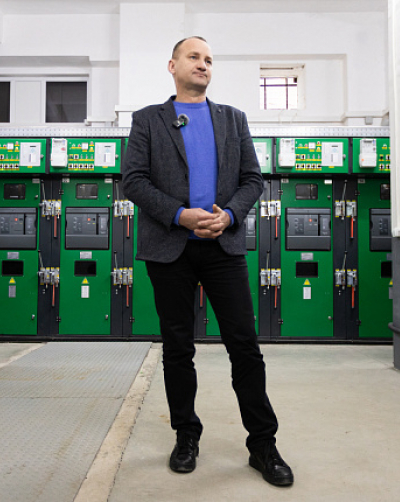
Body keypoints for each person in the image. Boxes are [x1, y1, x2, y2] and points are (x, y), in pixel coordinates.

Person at [121, 36, 293, 487]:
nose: (203, 64)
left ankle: (262, 444)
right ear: (173, 65)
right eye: (194, 57)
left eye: (209, 59)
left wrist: (229, 215)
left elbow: (253, 179)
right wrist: (179, 215)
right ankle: (186, 436)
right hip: (170, 248)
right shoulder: (147, 120)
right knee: (178, 348)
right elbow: (133, 181)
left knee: (244, 346)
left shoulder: (233, 119)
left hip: (223, 247)